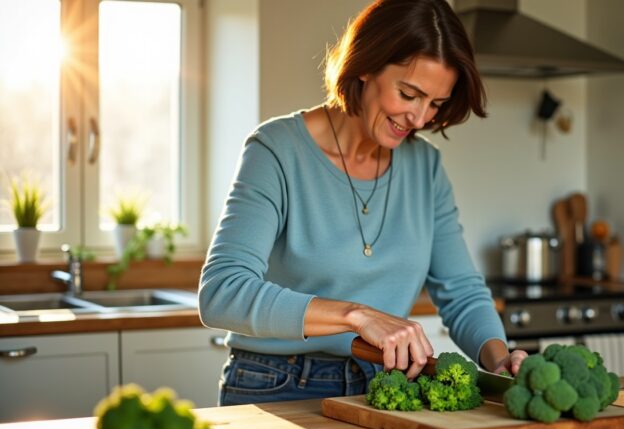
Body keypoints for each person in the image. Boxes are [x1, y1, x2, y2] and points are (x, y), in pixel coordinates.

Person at [198, 0, 528, 406]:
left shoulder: (425, 167)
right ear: (366, 65)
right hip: (275, 384)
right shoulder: (277, 150)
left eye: (436, 104)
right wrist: (356, 315)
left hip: (383, 387)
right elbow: (222, 293)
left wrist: (498, 361)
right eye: (409, 94)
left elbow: (461, 290)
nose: (420, 118)